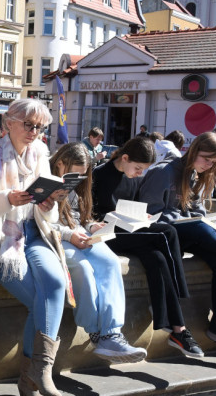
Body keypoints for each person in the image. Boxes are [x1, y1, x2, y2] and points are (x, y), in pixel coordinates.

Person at [0, 98, 69, 396]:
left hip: (33, 233)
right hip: (0, 243)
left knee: (56, 283)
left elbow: (48, 214)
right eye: (29, 125)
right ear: (9, 123)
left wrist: (48, 204)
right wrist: (7, 198)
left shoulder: (40, 155)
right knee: (41, 301)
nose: (35, 132)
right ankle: (34, 374)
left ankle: (38, 370)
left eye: (40, 127)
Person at [137, 131, 216, 357]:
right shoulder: (163, 172)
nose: (208, 165)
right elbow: (148, 213)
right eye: (206, 159)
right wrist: (184, 219)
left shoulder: (193, 173)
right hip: (164, 233)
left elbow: (195, 207)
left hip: (187, 231)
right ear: (194, 151)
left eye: (214, 162)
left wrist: (200, 216)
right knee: (201, 229)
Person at [93, 137, 202, 356]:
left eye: (143, 169)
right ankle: (180, 290)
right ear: (124, 158)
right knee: (168, 232)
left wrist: (142, 215)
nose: (139, 173)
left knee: (158, 258)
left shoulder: (132, 176)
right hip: (107, 233)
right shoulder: (100, 174)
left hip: (128, 231)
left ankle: (175, 327)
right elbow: (93, 212)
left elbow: (131, 206)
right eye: (137, 168)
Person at [48, 143, 146, 363]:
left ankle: (112, 332)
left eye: (82, 175)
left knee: (110, 262)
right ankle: (95, 332)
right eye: (74, 173)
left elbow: (81, 215)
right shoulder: (44, 176)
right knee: (82, 267)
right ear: (60, 163)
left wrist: (92, 226)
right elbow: (38, 221)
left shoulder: (81, 181)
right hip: (55, 235)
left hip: (79, 231)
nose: (77, 179)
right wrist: (68, 235)